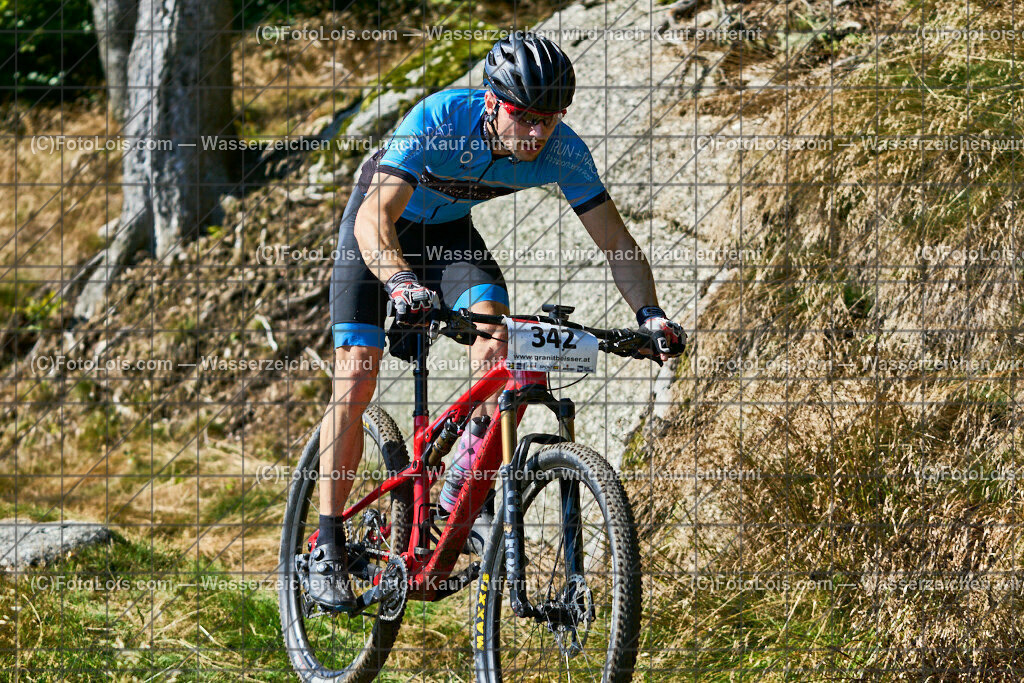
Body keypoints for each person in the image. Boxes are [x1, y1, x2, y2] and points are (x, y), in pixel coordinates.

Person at [307, 31, 686, 608]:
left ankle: (462, 491)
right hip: (377, 230)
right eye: (524, 117)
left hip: (450, 237)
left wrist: (650, 314)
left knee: (498, 341)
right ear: (492, 101)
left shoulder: (564, 150)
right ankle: (327, 546)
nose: (536, 134)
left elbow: (617, 244)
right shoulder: (438, 119)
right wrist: (402, 283)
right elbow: (371, 221)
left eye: (549, 119)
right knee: (357, 375)